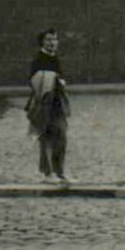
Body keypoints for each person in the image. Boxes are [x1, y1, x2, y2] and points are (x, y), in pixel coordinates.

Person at [25, 28, 72, 181]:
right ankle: (48, 173)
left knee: (61, 136)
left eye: (54, 39)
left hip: (57, 103)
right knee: (47, 137)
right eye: (49, 40)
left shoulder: (55, 59)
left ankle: (60, 171)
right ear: (42, 42)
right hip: (45, 103)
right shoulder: (39, 60)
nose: (52, 43)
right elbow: (35, 82)